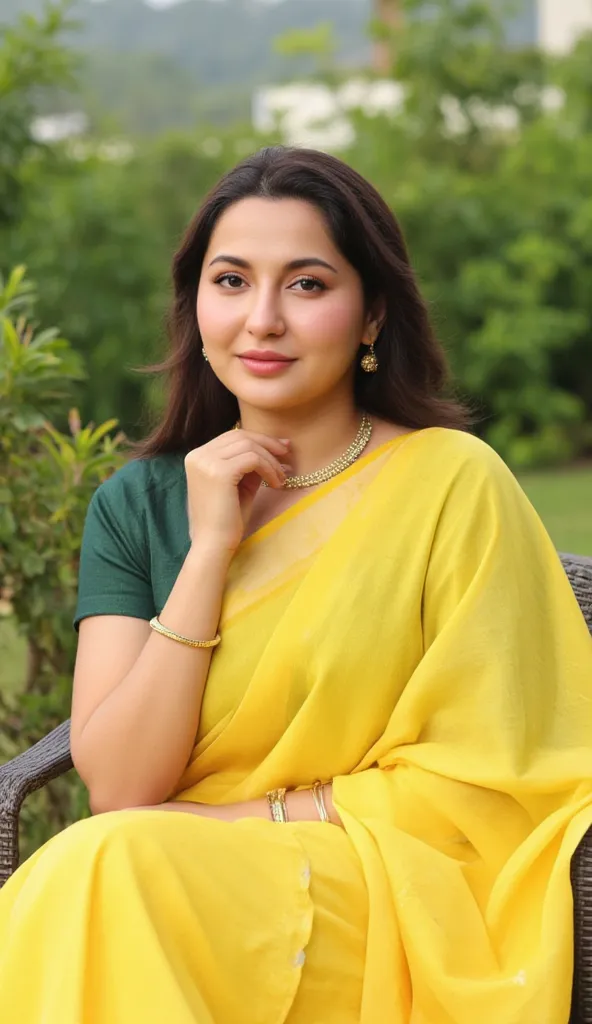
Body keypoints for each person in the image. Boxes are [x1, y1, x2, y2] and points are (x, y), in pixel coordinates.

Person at [0, 145, 591, 1024]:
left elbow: (501, 778)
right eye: (231, 281)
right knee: (106, 870)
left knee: (102, 873)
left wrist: (242, 822)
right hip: (163, 872)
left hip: (388, 888)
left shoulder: (451, 484)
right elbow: (120, 785)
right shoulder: (139, 506)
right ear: (195, 306)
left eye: (307, 285)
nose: (262, 319)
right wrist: (207, 553)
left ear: (372, 316)